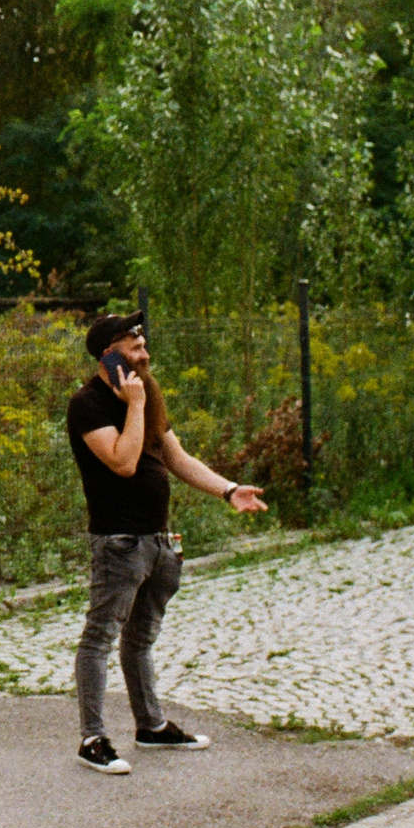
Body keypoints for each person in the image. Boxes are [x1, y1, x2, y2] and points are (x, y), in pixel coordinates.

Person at [67, 310, 267, 775]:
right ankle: (92, 738)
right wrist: (133, 405)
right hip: (118, 543)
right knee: (100, 637)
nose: (145, 354)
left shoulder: (148, 398)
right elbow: (123, 462)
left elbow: (175, 456)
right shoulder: (89, 404)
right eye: (135, 349)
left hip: (156, 542)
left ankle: (151, 727)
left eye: (142, 346)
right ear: (109, 357)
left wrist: (228, 490)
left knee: (140, 639)